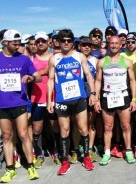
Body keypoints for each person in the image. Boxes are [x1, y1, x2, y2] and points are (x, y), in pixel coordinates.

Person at [0, 29, 42, 182]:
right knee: (7, 136)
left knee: (23, 135)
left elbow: (38, 78)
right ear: (5, 42)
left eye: (19, 43)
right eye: (14, 43)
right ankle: (10, 169)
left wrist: (30, 78)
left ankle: (30, 166)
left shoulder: (24, 59)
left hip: (20, 103)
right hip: (2, 105)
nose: (18, 45)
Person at [47, 29, 95, 175]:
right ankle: (65, 161)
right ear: (59, 42)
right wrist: (50, 100)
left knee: (83, 129)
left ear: (73, 42)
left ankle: (86, 157)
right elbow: (50, 80)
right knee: (64, 131)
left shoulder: (79, 56)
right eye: (63, 40)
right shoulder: (54, 59)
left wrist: (93, 93)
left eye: (69, 40)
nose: (66, 43)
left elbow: (88, 75)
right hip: (62, 99)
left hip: (79, 98)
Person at [94, 36, 136, 165]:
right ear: (108, 44)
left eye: (116, 43)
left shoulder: (127, 61)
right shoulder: (101, 62)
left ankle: (128, 151)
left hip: (123, 96)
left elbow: (132, 81)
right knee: (108, 127)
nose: (113, 46)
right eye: (111, 43)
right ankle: (107, 153)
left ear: (120, 45)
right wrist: (96, 99)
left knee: (126, 126)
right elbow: (98, 81)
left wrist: (134, 99)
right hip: (107, 97)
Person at [30, 32, 52, 168]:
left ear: (48, 42)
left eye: (43, 41)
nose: (40, 43)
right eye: (38, 41)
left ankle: (57, 152)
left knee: (56, 127)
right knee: (37, 129)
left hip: (52, 97)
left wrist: (39, 72)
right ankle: (39, 154)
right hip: (36, 98)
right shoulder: (31, 59)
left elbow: (52, 69)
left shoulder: (54, 57)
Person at [121, 32, 136, 158]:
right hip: (126, 91)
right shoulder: (122, 55)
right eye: (128, 42)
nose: (130, 44)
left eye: (133, 42)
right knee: (126, 122)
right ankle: (126, 145)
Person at [78, 36, 99, 162]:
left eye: (89, 45)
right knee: (79, 125)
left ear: (92, 47)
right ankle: (80, 147)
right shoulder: (75, 58)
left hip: (90, 95)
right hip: (77, 95)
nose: (86, 47)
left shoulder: (95, 60)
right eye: (84, 45)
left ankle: (90, 149)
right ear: (79, 46)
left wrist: (96, 96)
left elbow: (98, 80)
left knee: (90, 123)